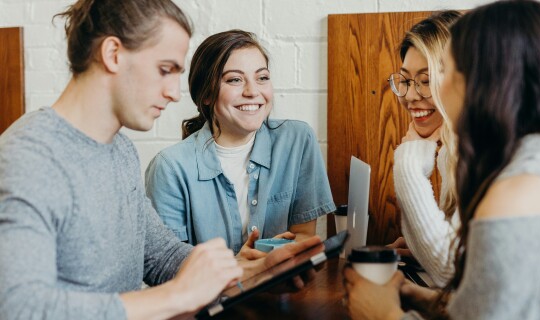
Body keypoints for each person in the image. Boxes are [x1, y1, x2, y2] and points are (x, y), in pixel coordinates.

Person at [0, 1, 320, 319]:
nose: (173, 93)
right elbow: (19, 307)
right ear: (113, 54)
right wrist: (176, 296)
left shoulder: (120, 150)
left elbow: (161, 257)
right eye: (165, 70)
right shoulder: (28, 158)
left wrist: (254, 274)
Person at [344, 0, 540, 319]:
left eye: (445, 70)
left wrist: (382, 314)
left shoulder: (519, 190)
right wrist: (427, 300)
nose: (438, 85)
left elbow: (454, 272)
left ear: (485, 80)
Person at [145, 29, 336, 255]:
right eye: (235, 79)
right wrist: (243, 269)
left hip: (282, 287)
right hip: (211, 291)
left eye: (262, 78)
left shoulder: (297, 140)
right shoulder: (169, 168)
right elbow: (168, 266)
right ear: (206, 94)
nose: (252, 91)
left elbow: (304, 236)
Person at [388, 10, 461, 287]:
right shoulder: (451, 151)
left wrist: (408, 162)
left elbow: (449, 272)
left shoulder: (483, 153)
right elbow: (456, 263)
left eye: (426, 80)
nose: (409, 96)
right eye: (405, 81)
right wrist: (420, 248)